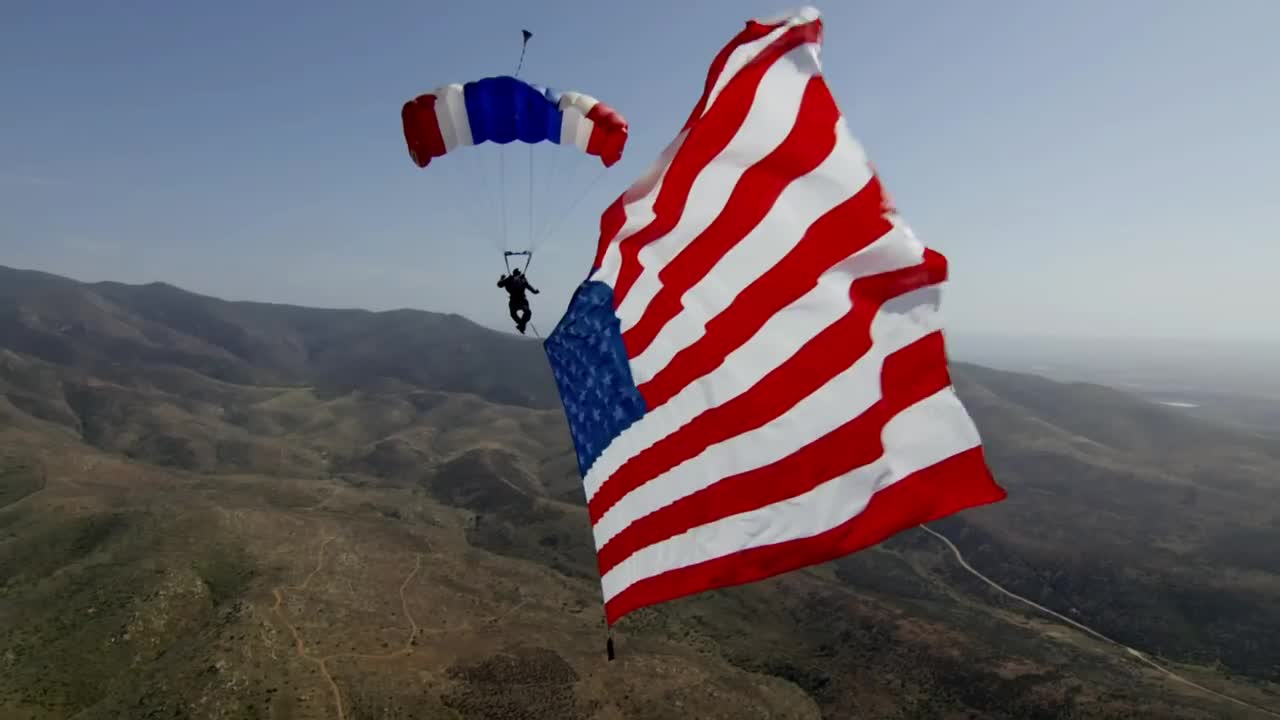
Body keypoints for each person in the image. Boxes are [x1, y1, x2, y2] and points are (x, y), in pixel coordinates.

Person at [497, 268, 539, 334]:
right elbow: (499, 284)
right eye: (517, 273)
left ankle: (521, 326)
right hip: (514, 301)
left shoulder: (522, 279)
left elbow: (528, 286)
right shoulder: (509, 280)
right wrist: (502, 278)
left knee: (527, 312)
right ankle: (521, 326)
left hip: (521, 300)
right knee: (514, 314)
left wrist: (534, 291)